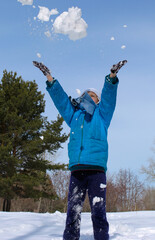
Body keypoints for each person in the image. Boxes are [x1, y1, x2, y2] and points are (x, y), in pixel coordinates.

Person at [33, 60, 127, 240]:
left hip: (96, 170)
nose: (89, 97)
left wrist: (112, 77)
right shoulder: (74, 115)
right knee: (72, 212)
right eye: (86, 95)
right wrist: (49, 77)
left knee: (98, 212)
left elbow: (109, 97)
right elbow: (61, 102)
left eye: (93, 95)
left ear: (98, 100)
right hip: (77, 170)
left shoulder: (102, 114)